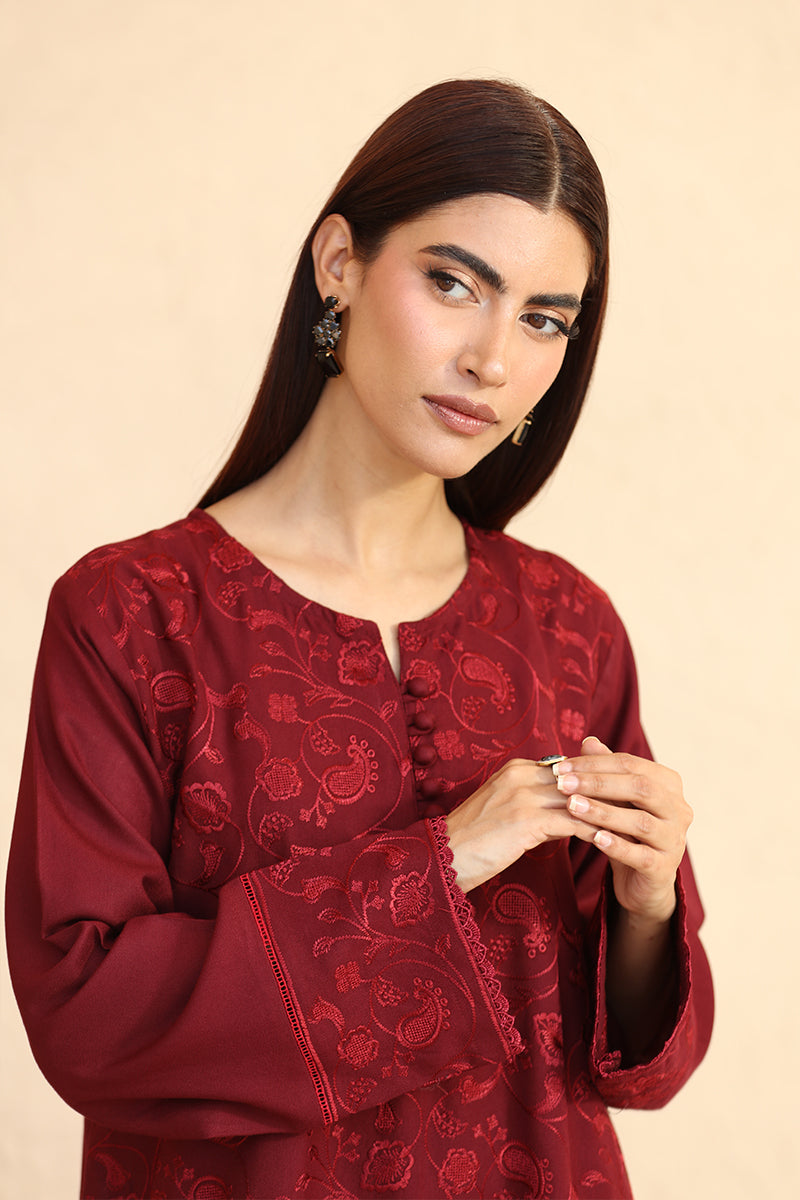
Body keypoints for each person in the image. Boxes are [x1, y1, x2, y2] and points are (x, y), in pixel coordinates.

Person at [6, 79, 713, 1200]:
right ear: (338, 262)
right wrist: (445, 861)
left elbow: (630, 1068)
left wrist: (648, 906)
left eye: (543, 318)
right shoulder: (132, 612)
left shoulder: (566, 624)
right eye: (453, 283)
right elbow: (86, 1017)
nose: (492, 357)